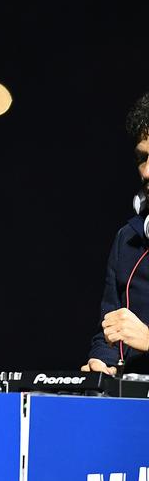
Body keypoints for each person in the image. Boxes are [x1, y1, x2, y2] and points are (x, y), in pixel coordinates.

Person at [82, 91, 149, 375]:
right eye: (142, 158)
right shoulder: (128, 240)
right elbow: (108, 329)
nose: (146, 172)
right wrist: (102, 361)